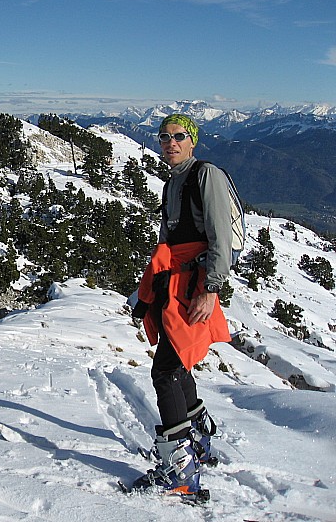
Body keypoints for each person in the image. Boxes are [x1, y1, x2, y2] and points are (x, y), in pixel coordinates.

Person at [130, 113, 233, 496]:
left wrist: (212, 287)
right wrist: (148, 296)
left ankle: (181, 469)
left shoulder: (206, 176)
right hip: (175, 285)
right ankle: (197, 440)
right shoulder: (173, 181)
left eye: (178, 136)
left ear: (192, 140)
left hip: (195, 287)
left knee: (167, 370)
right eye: (163, 137)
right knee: (177, 359)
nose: (169, 143)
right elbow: (168, 243)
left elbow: (221, 236)